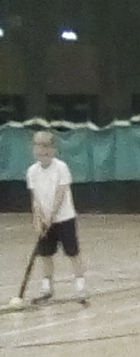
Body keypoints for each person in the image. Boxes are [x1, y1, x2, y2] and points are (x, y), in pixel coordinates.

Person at [26, 130, 87, 303]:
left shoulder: (61, 168)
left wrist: (51, 215)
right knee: (45, 254)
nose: (42, 156)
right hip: (45, 220)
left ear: (53, 150)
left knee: (72, 252)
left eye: (46, 152)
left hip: (64, 218)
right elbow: (35, 198)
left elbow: (61, 193)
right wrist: (38, 219)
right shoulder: (32, 171)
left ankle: (81, 286)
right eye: (39, 152)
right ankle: (47, 287)